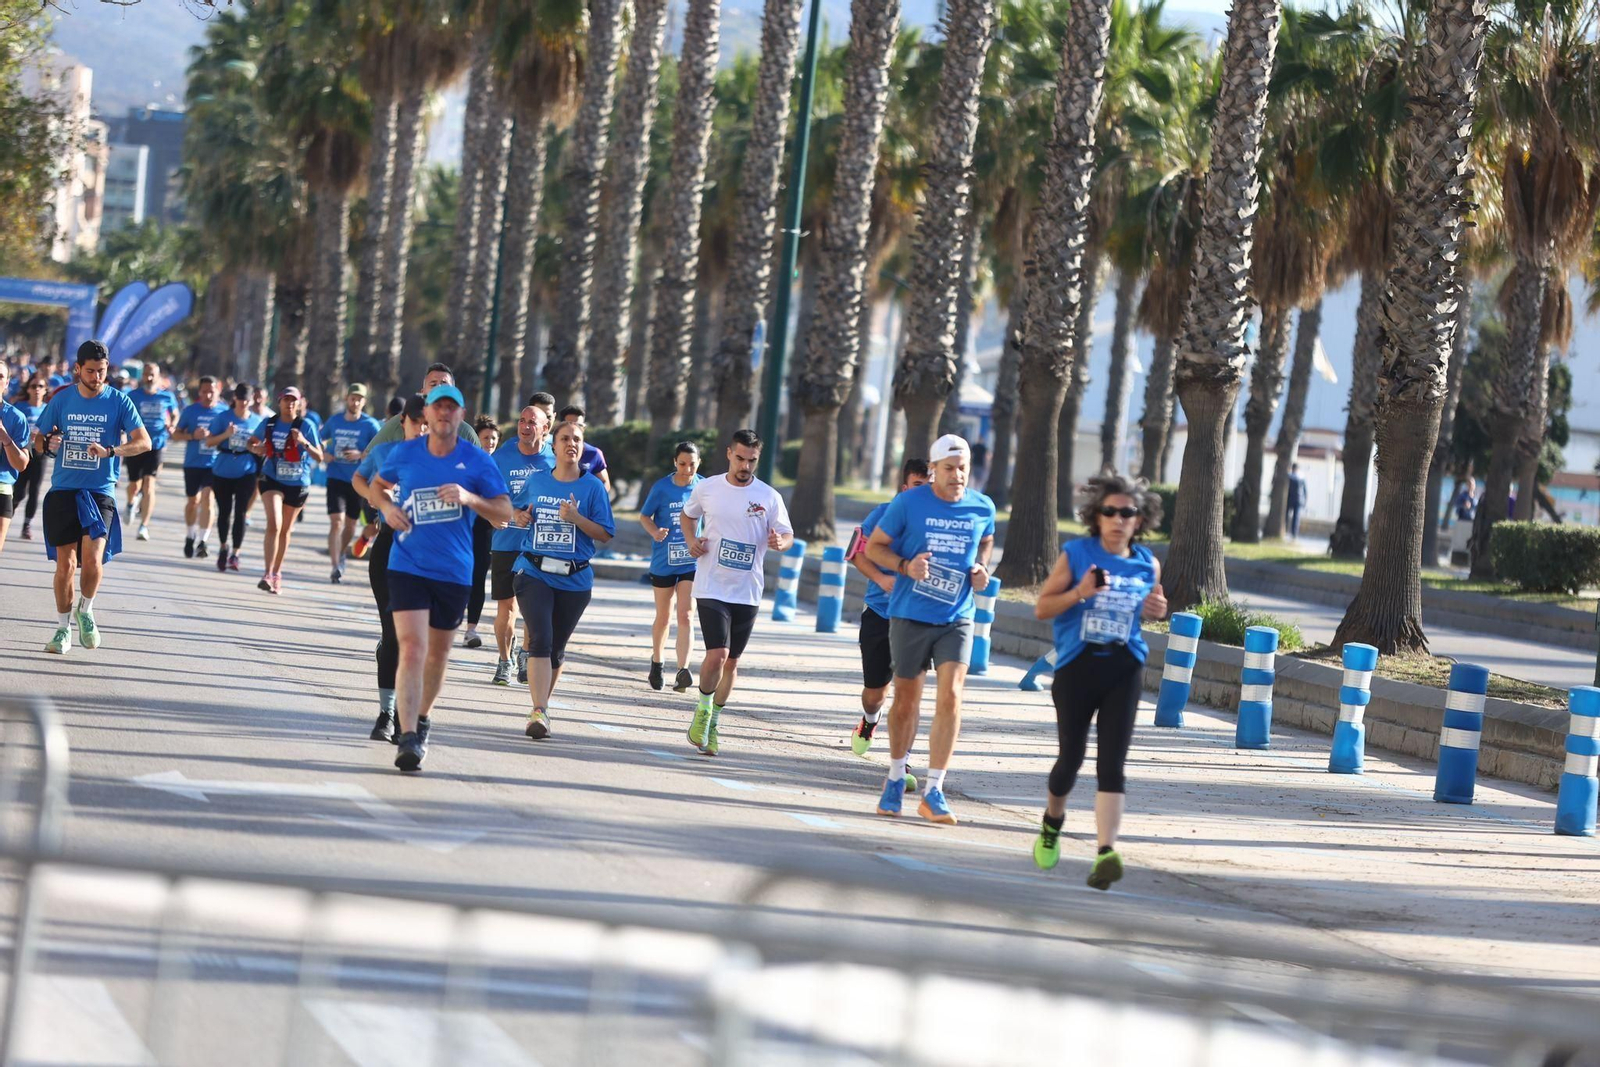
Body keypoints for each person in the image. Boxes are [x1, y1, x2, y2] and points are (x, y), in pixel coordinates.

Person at [1030, 473, 1166, 891]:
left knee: (1113, 765)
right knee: (1070, 761)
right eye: (1110, 511)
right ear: (1096, 515)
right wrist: (1080, 593)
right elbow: (1042, 608)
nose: (1118, 519)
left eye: (1127, 513)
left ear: (1139, 520)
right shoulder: (1076, 554)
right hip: (1077, 667)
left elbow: (1152, 607)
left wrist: (1157, 609)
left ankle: (1105, 852)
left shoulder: (1147, 562)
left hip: (1125, 668)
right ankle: (1053, 821)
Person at [365, 384, 511, 772]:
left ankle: (423, 717)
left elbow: (504, 511)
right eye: (437, 407)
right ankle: (408, 734)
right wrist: (387, 508)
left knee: (437, 653)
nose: (444, 414)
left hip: (454, 570)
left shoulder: (476, 461)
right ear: (426, 415)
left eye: (452, 408)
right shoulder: (405, 452)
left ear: (461, 416)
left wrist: (469, 498)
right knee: (411, 647)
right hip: (407, 564)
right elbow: (376, 485)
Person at [864, 434, 995, 825]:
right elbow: (875, 547)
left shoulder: (981, 506)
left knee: (952, 697)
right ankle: (894, 776)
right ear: (934, 469)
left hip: (958, 615)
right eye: (950, 469)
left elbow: (986, 540)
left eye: (964, 469)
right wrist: (905, 567)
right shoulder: (908, 503)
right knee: (906, 700)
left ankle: (934, 788)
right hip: (910, 613)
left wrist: (982, 567)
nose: (958, 476)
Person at [679, 429, 794, 756]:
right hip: (712, 583)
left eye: (752, 460)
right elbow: (688, 517)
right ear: (729, 453)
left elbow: (787, 535)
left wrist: (779, 543)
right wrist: (691, 540)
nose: (745, 465)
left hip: (747, 590)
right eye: (740, 458)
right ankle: (702, 709)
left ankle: (714, 721)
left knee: (732, 664)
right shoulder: (708, 487)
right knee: (718, 654)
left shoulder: (769, 496)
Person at [31, 340, 150, 653]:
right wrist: (47, 445)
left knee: (93, 559)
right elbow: (39, 437)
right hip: (63, 490)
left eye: (102, 371)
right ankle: (61, 629)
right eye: (92, 371)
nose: (98, 377)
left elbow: (144, 442)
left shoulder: (119, 402)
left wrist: (112, 450)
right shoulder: (62, 399)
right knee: (64, 567)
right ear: (77, 370)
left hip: (99, 492)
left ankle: (85, 610)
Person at [512, 419, 615, 739]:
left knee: (556, 648)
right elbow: (515, 512)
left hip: (575, 579)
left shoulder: (593, 487)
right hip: (533, 572)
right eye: (565, 438)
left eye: (578, 440)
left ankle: (542, 705)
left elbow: (606, 534)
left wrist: (576, 518)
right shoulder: (538, 480)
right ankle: (539, 711)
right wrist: (521, 516)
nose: (572, 444)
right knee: (540, 637)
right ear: (553, 445)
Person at [352, 393, 427, 742]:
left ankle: (407, 717)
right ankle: (388, 715)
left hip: (430, 555)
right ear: (404, 422)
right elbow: (359, 478)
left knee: (416, 641)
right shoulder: (387, 453)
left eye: (430, 424)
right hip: (389, 551)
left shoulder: (447, 459)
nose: (424, 429)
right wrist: (376, 497)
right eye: (418, 422)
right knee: (395, 636)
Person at [849, 458, 929, 757]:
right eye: (918, 486)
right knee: (875, 695)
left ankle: (904, 761)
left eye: (929, 485)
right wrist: (882, 578)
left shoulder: (937, 521)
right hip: (880, 612)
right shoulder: (883, 514)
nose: (925, 492)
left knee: (910, 695)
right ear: (905, 487)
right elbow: (855, 553)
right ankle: (869, 721)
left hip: (919, 617)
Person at [489, 405, 552, 684]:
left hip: (539, 544)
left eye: (532, 423)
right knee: (507, 607)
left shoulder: (553, 459)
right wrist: (507, 513)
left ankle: (526, 654)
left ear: (545, 429)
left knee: (533, 607)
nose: (525, 427)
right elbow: (489, 494)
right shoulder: (502, 456)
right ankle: (504, 660)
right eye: (522, 421)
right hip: (506, 541)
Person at [639, 441, 703, 691]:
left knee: (686, 614)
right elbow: (645, 516)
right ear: (675, 463)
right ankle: (657, 661)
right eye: (683, 464)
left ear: (699, 464)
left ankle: (683, 670)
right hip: (664, 560)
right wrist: (655, 532)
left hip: (692, 560)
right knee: (664, 617)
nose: (687, 470)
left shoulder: (704, 487)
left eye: (693, 465)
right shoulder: (662, 488)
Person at [248, 386, 325, 593]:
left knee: (285, 529)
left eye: (293, 401)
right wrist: (257, 448)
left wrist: (303, 442)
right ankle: (267, 572)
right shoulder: (270, 423)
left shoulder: (305, 425)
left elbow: (320, 456)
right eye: (286, 400)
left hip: (297, 482)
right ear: (279, 401)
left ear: (299, 403)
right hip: (272, 477)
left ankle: (276, 573)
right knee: (274, 523)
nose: (289, 404)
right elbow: (251, 442)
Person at [321, 384, 382, 583]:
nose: (355, 402)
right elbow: (319, 439)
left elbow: (379, 451)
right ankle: (334, 565)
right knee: (336, 521)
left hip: (358, 481)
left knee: (350, 524)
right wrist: (324, 454)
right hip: (335, 477)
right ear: (347, 399)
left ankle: (341, 555)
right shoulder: (335, 421)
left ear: (364, 402)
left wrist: (360, 454)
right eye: (352, 398)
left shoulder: (370, 425)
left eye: (359, 399)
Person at [204, 384, 266, 573]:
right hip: (223, 469)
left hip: (246, 470)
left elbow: (263, 445)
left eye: (247, 400)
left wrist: (256, 448)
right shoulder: (223, 418)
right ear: (235, 399)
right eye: (241, 399)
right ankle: (224, 547)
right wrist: (226, 434)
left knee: (240, 513)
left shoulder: (257, 421)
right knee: (224, 512)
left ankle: (236, 553)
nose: (244, 403)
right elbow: (209, 442)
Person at [365, 363, 480, 452]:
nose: (438, 388)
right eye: (433, 384)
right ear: (422, 392)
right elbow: (369, 455)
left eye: (444, 384)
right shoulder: (401, 421)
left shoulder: (466, 433)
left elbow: (481, 470)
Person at [125, 361, 180, 541]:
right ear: (142, 376)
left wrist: (172, 425)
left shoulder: (167, 397)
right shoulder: (133, 395)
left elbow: (175, 414)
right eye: (146, 374)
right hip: (137, 444)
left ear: (158, 377)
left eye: (152, 374)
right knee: (134, 485)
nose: (149, 377)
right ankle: (131, 502)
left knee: (149, 484)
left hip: (156, 444)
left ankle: (144, 525)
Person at [173, 376, 227, 559]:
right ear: (199, 393)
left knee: (208, 498)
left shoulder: (224, 412)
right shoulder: (190, 411)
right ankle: (190, 536)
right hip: (193, 463)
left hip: (214, 464)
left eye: (212, 391)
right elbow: (176, 435)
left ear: (218, 391)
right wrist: (192, 435)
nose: (208, 395)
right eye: (204, 391)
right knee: (192, 502)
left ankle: (203, 541)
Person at [464, 414, 502, 648]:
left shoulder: (501, 465)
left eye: (494, 438)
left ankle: (471, 629)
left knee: (478, 579)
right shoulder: (466, 463)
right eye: (486, 437)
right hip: (464, 527)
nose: (490, 442)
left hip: (486, 531)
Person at [0, 361, 32, 555]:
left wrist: (5, 438)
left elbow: (21, 465)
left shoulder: (16, 417)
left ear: (7, 383)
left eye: (0, 376)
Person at [12, 375, 48, 540]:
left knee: (34, 490)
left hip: (39, 455)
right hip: (21, 453)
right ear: (28, 389)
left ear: (45, 389)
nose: (37, 389)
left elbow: (55, 429)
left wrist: (43, 436)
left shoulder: (48, 409)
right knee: (19, 491)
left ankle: (26, 525)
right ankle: (8, 512)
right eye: (33, 386)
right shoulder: (20, 407)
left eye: (40, 386)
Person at [554, 405, 612, 494]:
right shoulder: (550, 451)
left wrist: (593, 500)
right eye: (570, 424)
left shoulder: (594, 453)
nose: (574, 429)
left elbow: (604, 482)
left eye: (579, 425)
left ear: (584, 428)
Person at [1286, 462, 1308, 539]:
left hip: (1290, 499)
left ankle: (1287, 531)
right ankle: (1294, 533)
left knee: (1287, 516)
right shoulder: (1301, 478)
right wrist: (1304, 500)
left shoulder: (1289, 477)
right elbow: (1305, 491)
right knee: (1296, 518)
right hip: (1299, 500)